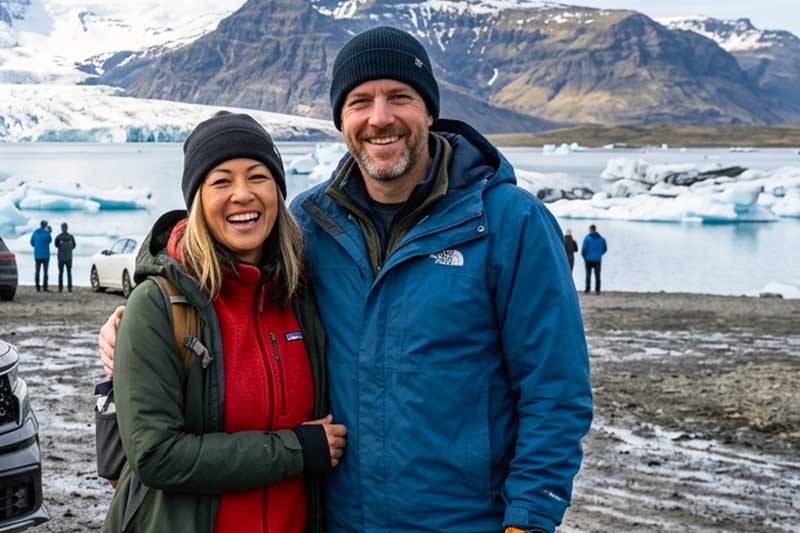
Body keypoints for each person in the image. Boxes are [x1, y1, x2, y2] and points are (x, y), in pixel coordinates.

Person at [100, 28, 592, 533]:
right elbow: (219, 275)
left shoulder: (508, 222)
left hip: (463, 521)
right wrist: (134, 319)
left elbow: (555, 388)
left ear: (428, 111)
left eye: (399, 97)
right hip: (341, 521)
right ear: (341, 120)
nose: (380, 118)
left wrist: (529, 519)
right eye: (361, 101)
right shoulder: (311, 225)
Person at [101, 111, 346, 533]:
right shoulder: (159, 305)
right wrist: (296, 450)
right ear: (197, 199)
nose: (242, 195)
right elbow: (155, 455)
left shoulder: (302, 294)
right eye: (221, 181)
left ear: (277, 191)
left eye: (257, 177)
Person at [581, 224, 607, 294]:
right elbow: (605, 249)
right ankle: (597, 290)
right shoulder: (601, 239)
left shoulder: (587, 238)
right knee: (597, 275)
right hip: (597, 259)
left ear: (591, 229)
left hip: (588, 259)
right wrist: (599, 254)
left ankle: (587, 290)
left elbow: (584, 249)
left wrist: (584, 256)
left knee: (588, 275)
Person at [30, 220, 52, 292]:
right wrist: (49, 232)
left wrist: (37, 246)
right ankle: (45, 287)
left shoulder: (35, 232)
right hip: (45, 255)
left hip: (37, 254)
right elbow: (49, 240)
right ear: (45, 225)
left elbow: (32, 242)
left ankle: (37, 287)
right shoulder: (46, 233)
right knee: (45, 271)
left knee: (37, 271)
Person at [54, 222, 76, 292]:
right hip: (69, 256)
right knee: (68, 272)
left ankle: (60, 288)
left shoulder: (58, 237)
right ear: (67, 228)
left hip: (61, 257)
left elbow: (56, 245)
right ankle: (69, 287)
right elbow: (74, 246)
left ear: (62, 228)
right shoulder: (71, 237)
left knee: (61, 272)